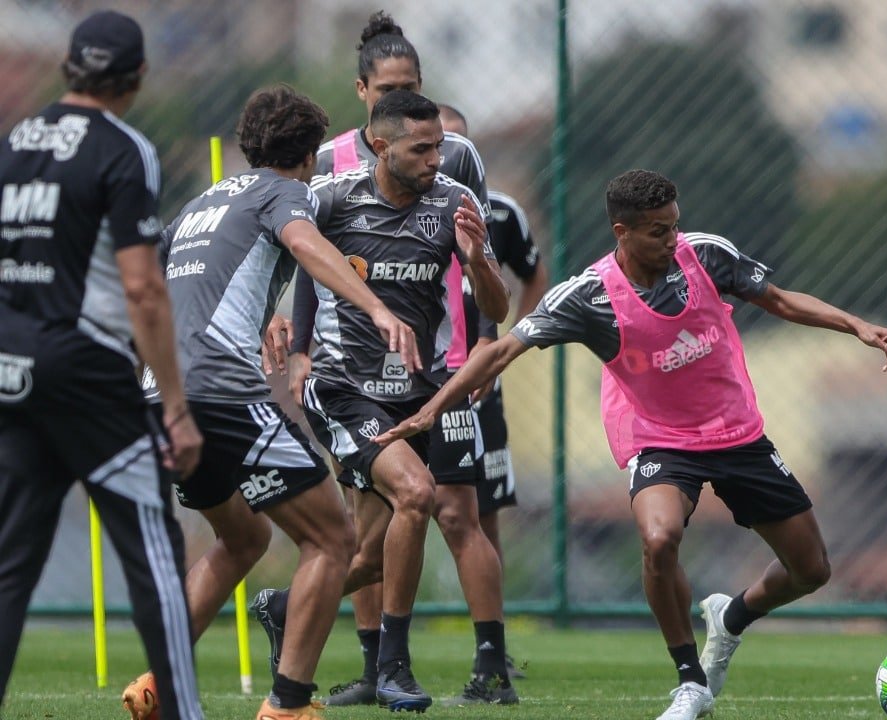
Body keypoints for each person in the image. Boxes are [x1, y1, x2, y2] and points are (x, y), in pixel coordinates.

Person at [373, 170, 887, 720]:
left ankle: (730, 619)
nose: (672, 240)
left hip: (735, 430)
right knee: (659, 539)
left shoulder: (705, 255)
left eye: (674, 226)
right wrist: (429, 411)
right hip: (658, 438)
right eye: (658, 231)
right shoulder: (587, 296)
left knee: (811, 569)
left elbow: (779, 300)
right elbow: (498, 353)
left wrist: (858, 326)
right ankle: (690, 681)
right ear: (623, 232)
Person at [124, 85, 416, 720]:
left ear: (247, 144)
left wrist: (262, 320)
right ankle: (287, 705)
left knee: (242, 538)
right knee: (332, 539)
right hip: (221, 394)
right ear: (309, 156)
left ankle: (157, 683)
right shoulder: (285, 192)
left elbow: (163, 290)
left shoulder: (201, 203)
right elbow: (306, 245)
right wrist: (375, 305)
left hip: (162, 394)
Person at [260, 13, 519, 708]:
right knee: (416, 496)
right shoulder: (328, 193)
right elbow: (290, 264)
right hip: (346, 385)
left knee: (375, 545)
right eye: (424, 149)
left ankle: (286, 610)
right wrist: (288, 333)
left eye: (441, 145)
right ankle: (391, 666)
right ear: (374, 130)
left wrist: (474, 261)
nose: (439, 157)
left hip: (432, 383)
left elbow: (493, 300)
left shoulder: (458, 189)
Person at [0, 11, 204, 720]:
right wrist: (174, 407)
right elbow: (144, 288)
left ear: (67, 70)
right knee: (152, 550)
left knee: (9, 565)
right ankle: (181, 713)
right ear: (138, 78)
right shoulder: (124, 149)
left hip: (12, 367)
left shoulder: (15, 142)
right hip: (86, 374)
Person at [439, 104, 547, 679]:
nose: (449, 157)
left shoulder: (501, 213)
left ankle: (493, 647)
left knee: (487, 510)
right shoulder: (402, 210)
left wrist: (511, 345)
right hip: (423, 378)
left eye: (458, 145)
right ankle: (382, 649)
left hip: (482, 383)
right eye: (438, 145)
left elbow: (533, 276)